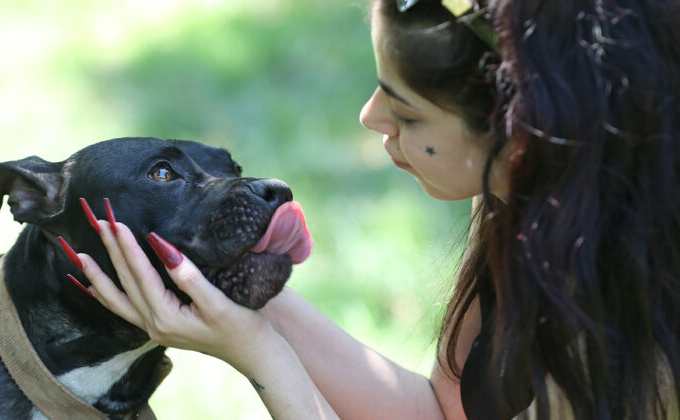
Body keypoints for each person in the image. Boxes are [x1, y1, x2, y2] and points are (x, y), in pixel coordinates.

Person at [72, 0, 680, 418]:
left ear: (526, 133)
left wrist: (259, 357)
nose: (370, 119)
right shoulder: (523, 205)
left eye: (408, 112)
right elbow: (443, 415)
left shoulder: (631, 348)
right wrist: (243, 290)